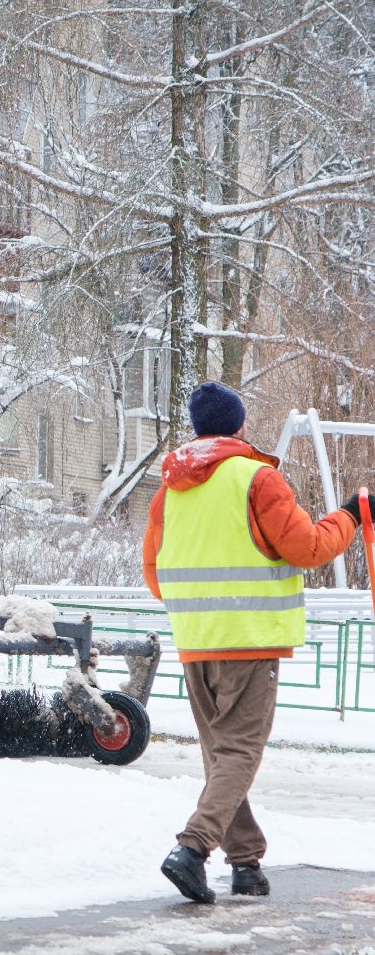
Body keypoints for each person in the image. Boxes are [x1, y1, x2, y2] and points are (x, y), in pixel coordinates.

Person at [143, 381, 359, 904]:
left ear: (197, 430)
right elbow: (308, 547)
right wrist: (349, 516)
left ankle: (245, 863)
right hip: (250, 640)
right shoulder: (257, 478)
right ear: (239, 426)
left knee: (222, 753)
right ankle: (192, 849)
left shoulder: (170, 489)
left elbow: (154, 572)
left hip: (195, 640)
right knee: (239, 752)